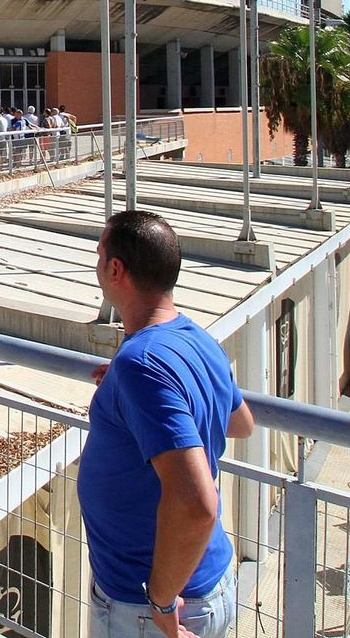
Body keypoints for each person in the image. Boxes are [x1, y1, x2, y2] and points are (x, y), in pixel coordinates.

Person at [79, 210, 254, 638]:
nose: (98, 262)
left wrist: (160, 599)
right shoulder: (197, 339)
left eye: (100, 254)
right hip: (203, 585)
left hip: (153, 608)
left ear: (115, 269)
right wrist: (129, 394)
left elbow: (198, 503)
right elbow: (241, 422)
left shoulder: (142, 365)